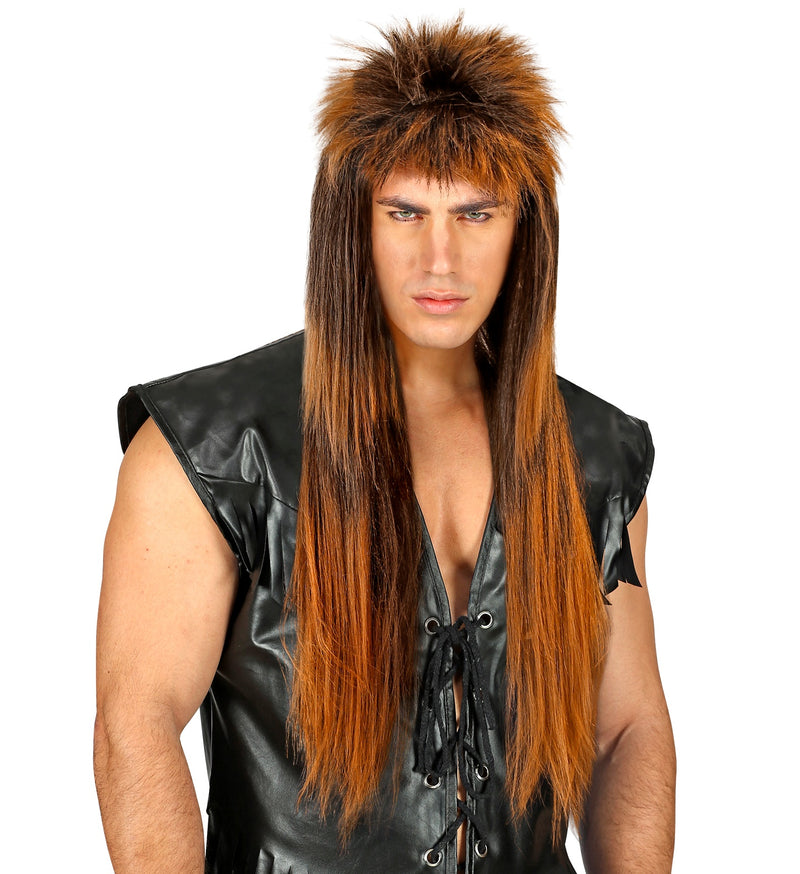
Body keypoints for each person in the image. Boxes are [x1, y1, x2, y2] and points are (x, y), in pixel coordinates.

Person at [94, 17, 675, 874]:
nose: (441, 259)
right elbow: (135, 722)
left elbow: (626, 726)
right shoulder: (210, 450)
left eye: (476, 213)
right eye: (405, 212)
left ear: (525, 229)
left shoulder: (595, 455)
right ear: (353, 223)